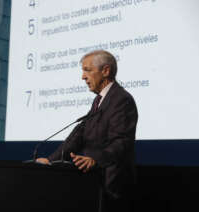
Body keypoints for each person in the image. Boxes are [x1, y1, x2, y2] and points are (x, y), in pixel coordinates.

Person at [37, 50, 138, 212]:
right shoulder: (100, 100)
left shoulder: (121, 99)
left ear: (105, 71)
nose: (83, 77)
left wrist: (95, 159)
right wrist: (51, 161)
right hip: (92, 184)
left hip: (111, 188)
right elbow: (77, 136)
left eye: (87, 70)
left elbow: (121, 142)